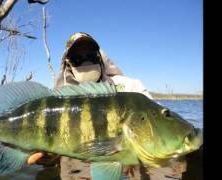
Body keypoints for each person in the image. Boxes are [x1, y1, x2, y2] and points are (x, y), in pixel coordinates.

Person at [27, 32, 188, 180]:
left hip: (135, 159)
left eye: (91, 55)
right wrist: (49, 157)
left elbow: (159, 121)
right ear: (68, 64)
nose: (86, 61)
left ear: (100, 57)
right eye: (78, 58)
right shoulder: (59, 101)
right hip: (84, 158)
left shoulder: (130, 88)